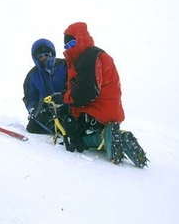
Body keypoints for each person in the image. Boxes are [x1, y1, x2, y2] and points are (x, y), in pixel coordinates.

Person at [50, 22, 148, 167]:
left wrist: (63, 98)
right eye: (66, 46)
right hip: (109, 112)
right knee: (81, 131)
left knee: (74, 136)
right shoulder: (95, 55)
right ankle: (119, 138)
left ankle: (103, 136)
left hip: (96, 112)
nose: (69, 48)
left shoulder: (88, 57)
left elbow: (87, 92)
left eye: (72, 43)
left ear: (81, 38)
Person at [22, 38, 68, 134]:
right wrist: (35, 110)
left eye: (46, 55)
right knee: (32, 128)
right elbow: (30, 97)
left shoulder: (64, 66)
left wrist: (63, 96)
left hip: (66, 108)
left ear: (52, 53)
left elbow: (73, 84)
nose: (44, 58)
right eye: (40, 56)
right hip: (47, 112)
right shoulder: (32, 75)